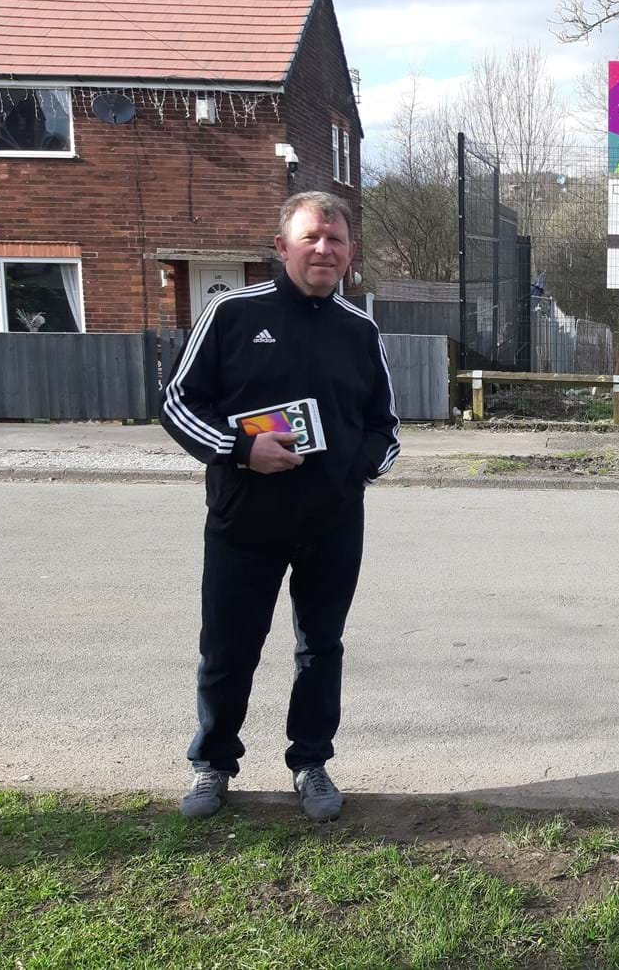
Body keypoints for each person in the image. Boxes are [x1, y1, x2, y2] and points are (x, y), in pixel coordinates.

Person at [162, 191, 400, 821]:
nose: (324, 249)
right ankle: (213, 764)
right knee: (229, 648)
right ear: (282, 247)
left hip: (331, 523)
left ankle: (311, 762)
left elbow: (388, 425)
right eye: (311, 238)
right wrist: (242, 449)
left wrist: (358, 469)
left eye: (336, 241)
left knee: (321, 647)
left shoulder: (360, 330)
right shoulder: (231, 315)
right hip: (245, 520)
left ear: (350, 255)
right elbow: (178, 403)